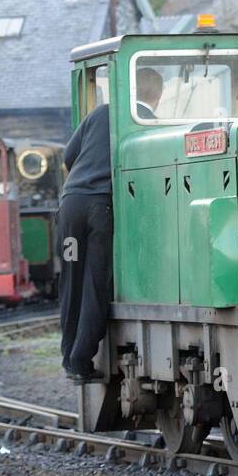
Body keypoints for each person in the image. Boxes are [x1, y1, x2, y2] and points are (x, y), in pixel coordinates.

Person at [58, 68, 163, 380]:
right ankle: (81, 361)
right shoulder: (147, 125)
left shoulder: (100, 112)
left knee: (71, 280)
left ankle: (68, 358)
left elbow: (69, 156)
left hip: (70, 206)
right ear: (157, 95)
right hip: (101, 208)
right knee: (95, 283)